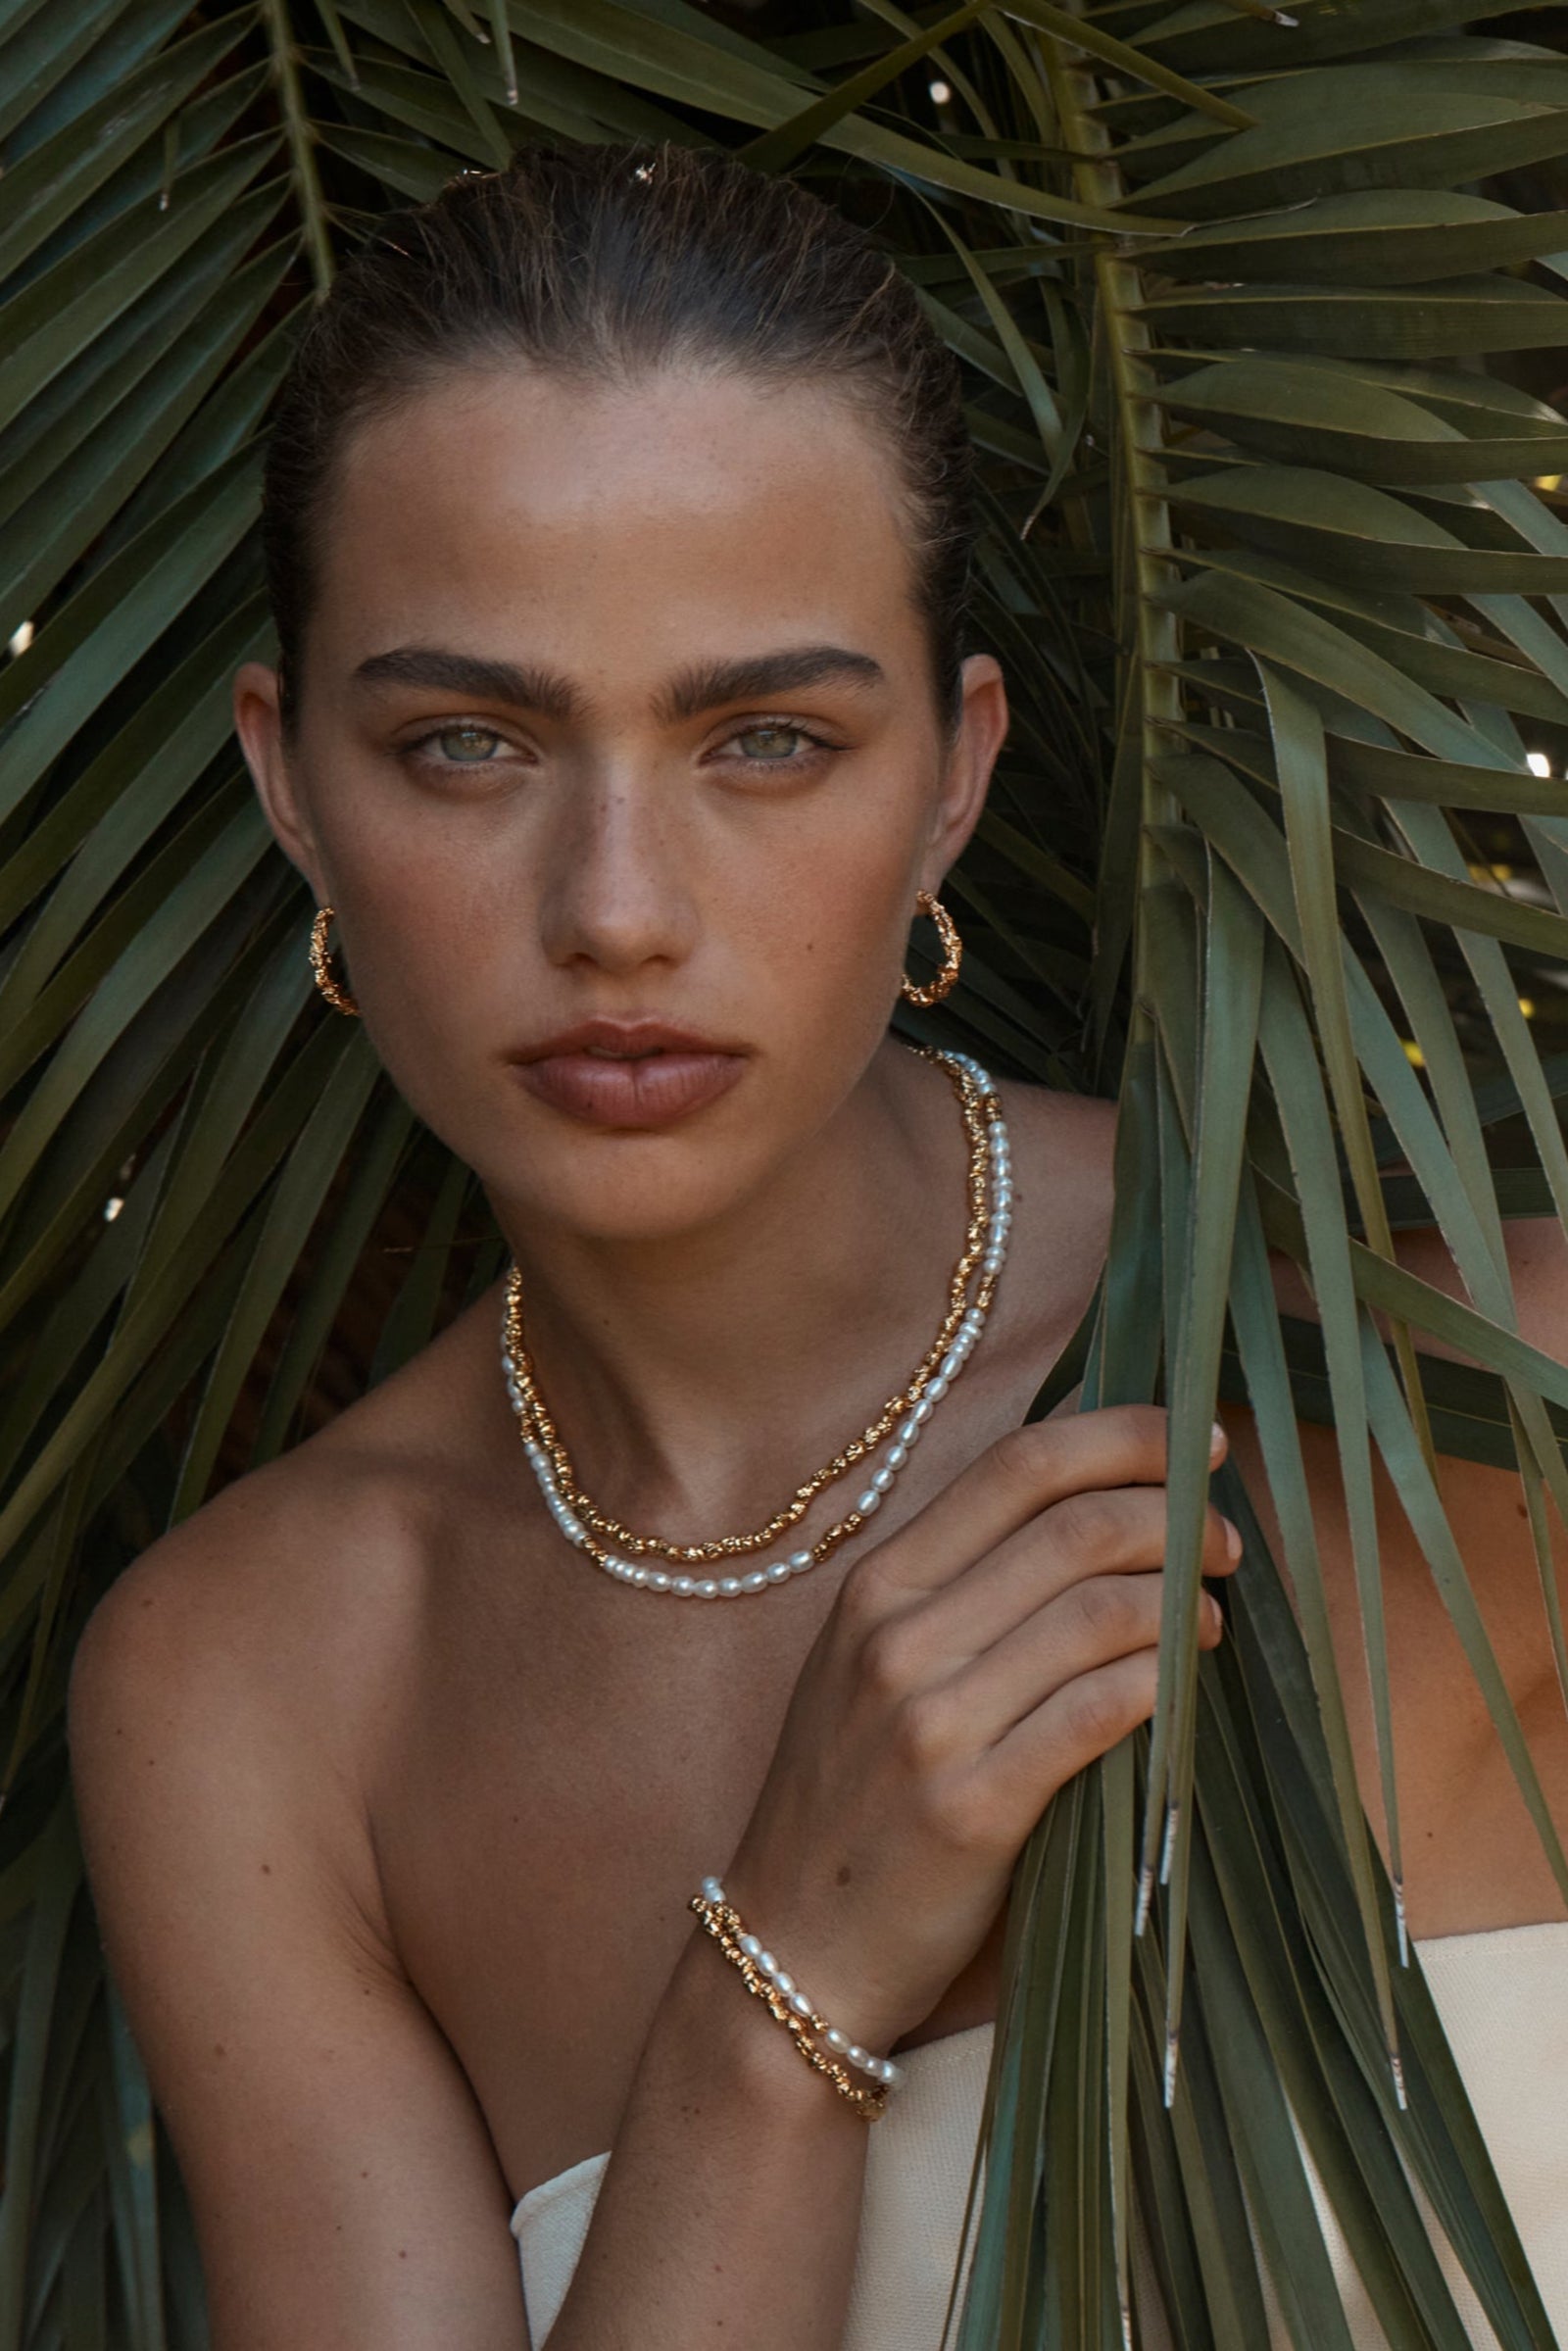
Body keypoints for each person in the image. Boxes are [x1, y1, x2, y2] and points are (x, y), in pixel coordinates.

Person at [65, 139, 1568, 2351]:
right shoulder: (261, 1691)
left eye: (762, 738)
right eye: (464, 743)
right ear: (293, 782)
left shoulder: (1445, 1395)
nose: (613, 910)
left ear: (951, 775)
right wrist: (772, 2004)